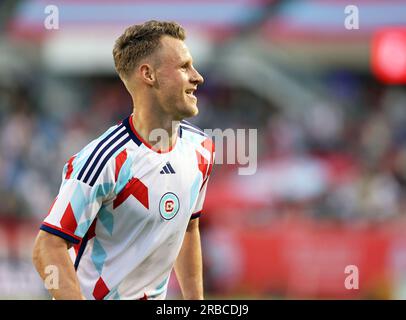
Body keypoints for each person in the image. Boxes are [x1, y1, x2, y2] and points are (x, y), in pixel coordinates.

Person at [32, 20, 215, 300]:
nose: (197, 76)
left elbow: (189, 229)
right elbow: (47, 246)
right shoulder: (103, 160)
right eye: (183, 66)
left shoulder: (201, 148)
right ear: (148, 74)